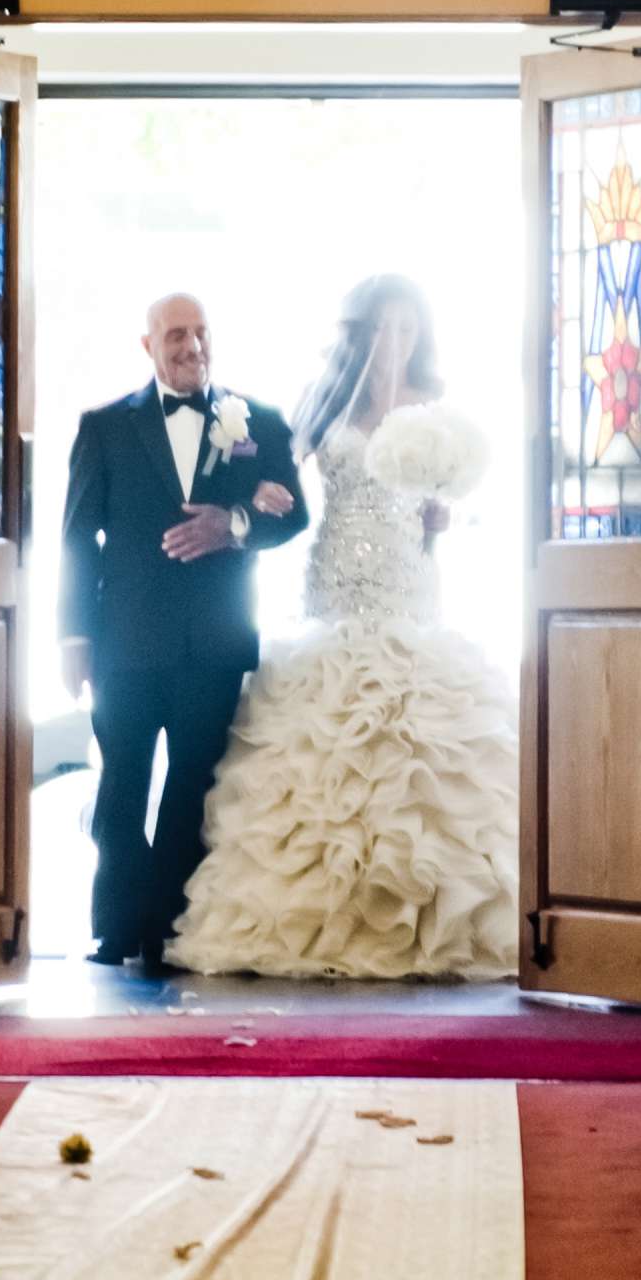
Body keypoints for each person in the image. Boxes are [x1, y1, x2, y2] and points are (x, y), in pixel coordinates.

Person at [170, 274, 518, 982]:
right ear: (358, 334)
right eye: (382, 328)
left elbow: (453, 501)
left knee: (419, 744)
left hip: (407, 584)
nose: (395, 343)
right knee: (319, 746)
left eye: (407, 330)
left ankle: (423, 918)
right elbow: (277, 485)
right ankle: (314, 920)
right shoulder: (324, 405)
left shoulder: (435, 413)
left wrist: (443, 517)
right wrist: (251, 500)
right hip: (332, 586)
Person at [59, 294, 309, 977]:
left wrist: (233, 523)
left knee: (192, 782)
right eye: (176, 335)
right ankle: (115, 924)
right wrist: (73, 637)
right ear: (148, 345)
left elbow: (294, 516)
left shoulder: (256, 421)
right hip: (125, 642)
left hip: (215, 642)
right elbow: (78, 538)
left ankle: (165, 925)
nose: (191, 346)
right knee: (124, 780)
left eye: (201, 334)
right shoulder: (105, 427)